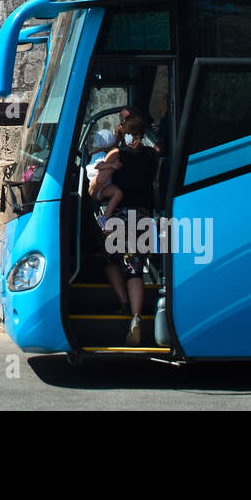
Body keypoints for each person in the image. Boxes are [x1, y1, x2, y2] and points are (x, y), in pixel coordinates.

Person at [98, 116, 159, 343]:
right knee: (135, 266)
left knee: (109, 258)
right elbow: (152, 179)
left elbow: (98, 182)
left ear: (124, 131)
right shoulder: (153, 155)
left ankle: (123, 303)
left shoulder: (117, 154)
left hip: (121, 215)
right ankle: (136, 317)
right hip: (143, 215)